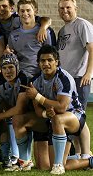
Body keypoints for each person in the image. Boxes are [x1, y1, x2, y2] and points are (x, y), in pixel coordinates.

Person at [25, 45, 93, 174]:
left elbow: (62, 107)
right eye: (42, 61)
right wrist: (46, 113)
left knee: (58, 118)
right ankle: (85, 160)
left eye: (50, 60)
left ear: (56, 62)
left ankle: (59, 164)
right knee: (44, 166)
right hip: (53, 119)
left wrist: (38, 96)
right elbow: (38, 111)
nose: (46, 63)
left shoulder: (64, 78)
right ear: (38, 63)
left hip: (74, 116)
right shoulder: (35, 81)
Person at [57, 0, 92, 160]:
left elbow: (92, 49)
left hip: (80, 78)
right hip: (67, 81)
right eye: (62, 8)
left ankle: (86, 154)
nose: (65, 11)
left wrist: (88, 73)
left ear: (75, 8)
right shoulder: (62, 30)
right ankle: (78, 153)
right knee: (71, 116)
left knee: (79, 117)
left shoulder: (82, 25)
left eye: (68, 7)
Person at [8, 0, 56, 78]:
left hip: (40, 77)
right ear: (18, 13)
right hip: (19, 77)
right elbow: (12, 56)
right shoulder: (13, 35)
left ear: (35, 11)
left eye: (28, 10)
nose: (25, 14)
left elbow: (51, 58)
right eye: (22, 11)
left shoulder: (45, 32)